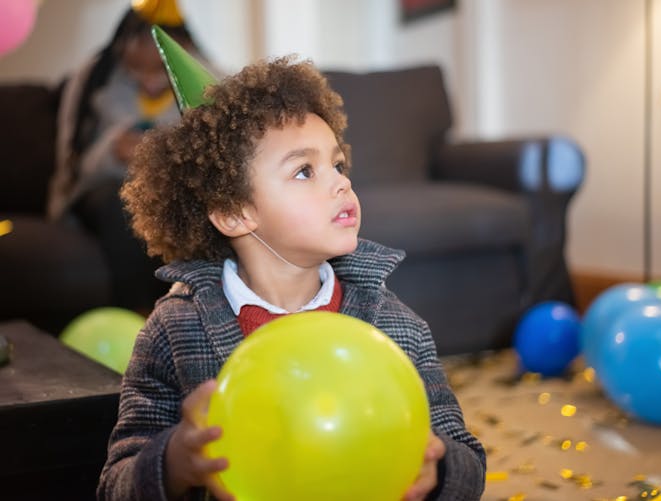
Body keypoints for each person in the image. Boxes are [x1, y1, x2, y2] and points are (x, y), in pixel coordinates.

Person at [97, 30, 486, 501]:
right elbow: (116, 483)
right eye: (305, 171)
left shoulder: (394, 325)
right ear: (235, 213)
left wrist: (439, 471)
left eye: (338, 165)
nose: (341, 184)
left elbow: (467, 458)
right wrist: (174, 462)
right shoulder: (175, 331)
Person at [47, 2, 204, 310]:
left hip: (173, 189)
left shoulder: (205, 84)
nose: (148, 81)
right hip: (104, 189)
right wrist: (111, 151)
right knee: (125, 203)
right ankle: (138, 314)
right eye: (136, 69)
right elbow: (70, 166)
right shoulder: (94, 81)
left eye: (160, 70)